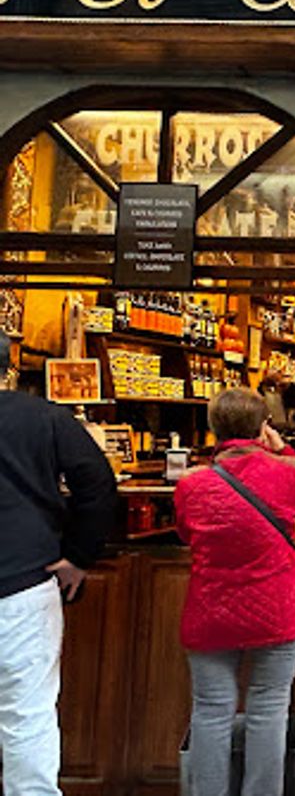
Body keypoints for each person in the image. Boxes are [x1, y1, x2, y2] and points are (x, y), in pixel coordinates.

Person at [175, 387, 295, 796]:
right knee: (269, 706)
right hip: (277, 606)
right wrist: (286, 454)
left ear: (213, 431)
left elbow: (186, 534)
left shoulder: (192, 486)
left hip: (212, 610)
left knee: (211, 711)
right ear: (263, 428)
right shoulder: (283, 472)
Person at [0, 333, 117, 796]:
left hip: (25, 583)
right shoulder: (44, 417)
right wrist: (78, 557)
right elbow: (98, 485)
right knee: (27, 716)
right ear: (9, 366)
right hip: (26, 586)